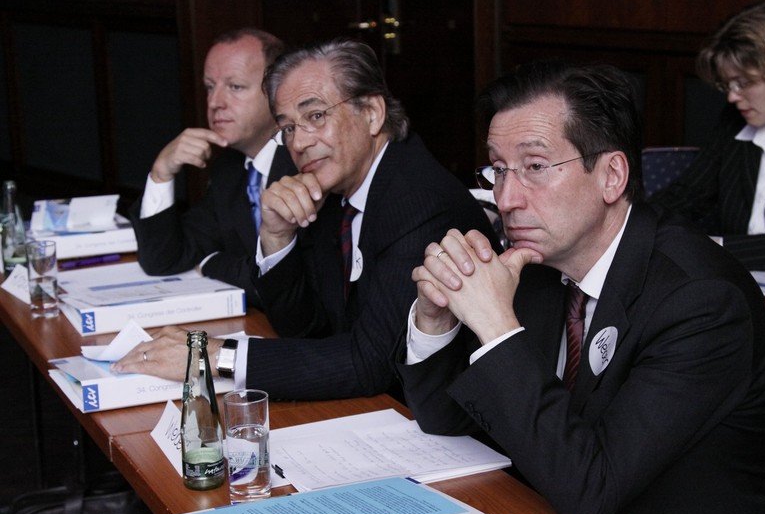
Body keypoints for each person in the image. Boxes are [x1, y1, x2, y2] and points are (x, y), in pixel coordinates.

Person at [395, 60, 765, 514]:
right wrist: (436, 320)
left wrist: (497, 327)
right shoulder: (535, 266)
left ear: (611, 176)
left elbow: (591, 491)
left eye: (535, 167)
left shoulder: (701, 301)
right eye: (499, 170)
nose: (505, 199)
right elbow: (448, 423)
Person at [113, 39, 497, 401]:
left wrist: (214, 356)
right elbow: (304, 328)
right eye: (288, 128)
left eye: (315, 116)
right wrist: (276, 237)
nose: (298, 143)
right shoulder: (333, 188)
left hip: (438, 421)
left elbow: (369, 363)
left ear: (372, 113)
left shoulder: (418, 201)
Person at [129, 28, 296, 306]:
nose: (215, 102)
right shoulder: (229, 170)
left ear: (278, 92)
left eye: (235, 87)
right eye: (210, 87)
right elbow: (163, 259)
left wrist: (211, 263)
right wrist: (161, 172)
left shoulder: (307, 161)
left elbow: (284, 282)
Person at [649, 1, 765, 271]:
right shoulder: (734, 122)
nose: (732, 96)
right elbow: (685, 196)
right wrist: (630, 225)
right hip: (738, 284)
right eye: (727, 84)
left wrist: (714, 247)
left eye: (743, 83)